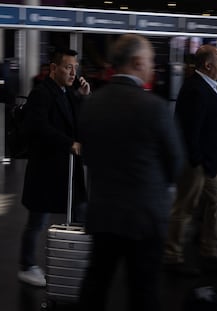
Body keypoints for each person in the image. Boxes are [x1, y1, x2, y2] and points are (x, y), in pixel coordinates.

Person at [78, 34, 184, 311]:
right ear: (137, 62)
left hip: (104, 214)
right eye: (150, 62)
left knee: (96, 286)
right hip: (145, 218)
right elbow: (176, 162)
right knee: (143, 292)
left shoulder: (92, 104)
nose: (153, 68)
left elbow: (87, 155)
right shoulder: (155, 107)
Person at [17, 48, 90, 287]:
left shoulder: (67, 92)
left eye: (75, 67)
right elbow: (37, 127)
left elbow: (75, 122)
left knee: (77, 211)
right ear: (53, 68)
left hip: (65, 168)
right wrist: (69, 143)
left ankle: (74, 258)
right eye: (68, 67)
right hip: (47, 168)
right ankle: (27, 265)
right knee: (37, 219)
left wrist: (82, 97)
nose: (73, 72)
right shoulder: (41, 93)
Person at [163, 45, 217, 275]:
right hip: (196, 163)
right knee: (184, 207)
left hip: (208, 162)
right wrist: (198, 160)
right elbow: (190, 131)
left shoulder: (208, 87)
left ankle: (210, 250)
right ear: (208, 65)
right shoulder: (196, 89)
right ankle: (172, 256)